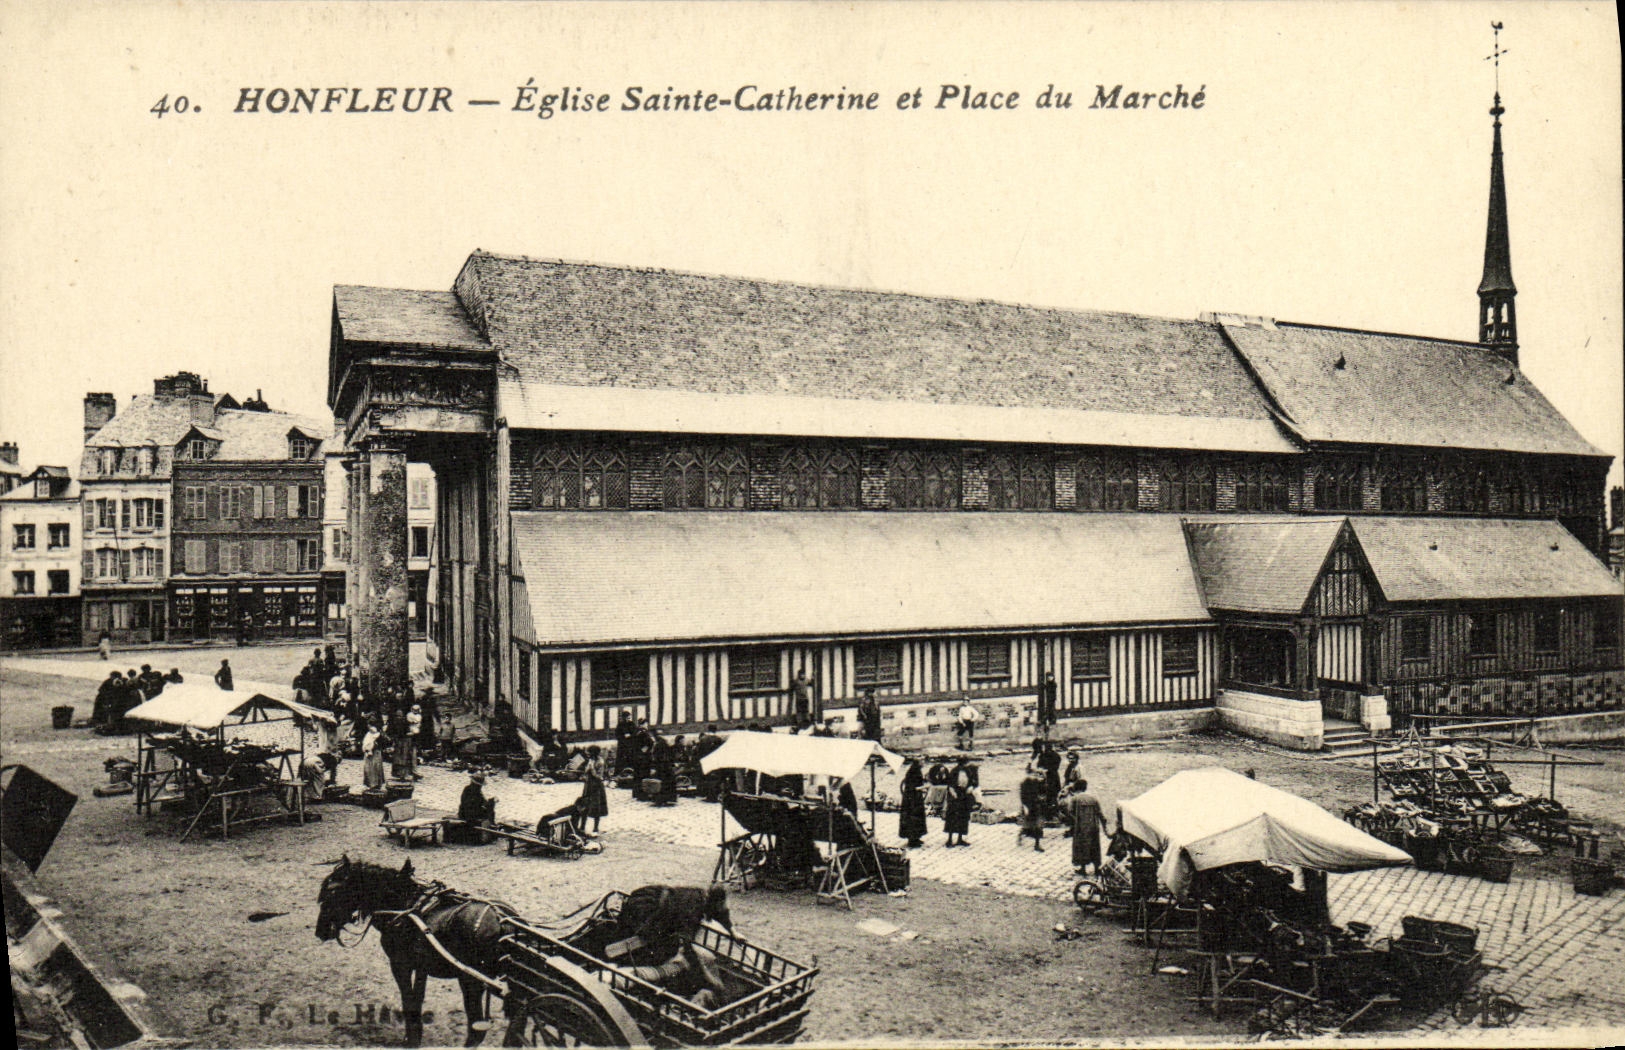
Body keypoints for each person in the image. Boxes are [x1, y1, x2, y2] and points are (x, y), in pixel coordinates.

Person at [1064, 779, 1104, 874]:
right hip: (1093, 826)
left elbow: (1069, 811)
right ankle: (1096, 868)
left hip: (1081, 827)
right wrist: (1104, 825)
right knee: (1094, 846)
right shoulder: (1093, 798)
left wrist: (1075, 821)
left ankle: (1083, 868)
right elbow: (1100, 813)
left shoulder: (1075, 799)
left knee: (1082, 847)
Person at [576, 745, 609, 834]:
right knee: (584, 805)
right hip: (588, 785)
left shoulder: (600, 762)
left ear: (594, 753)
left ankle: (595, 828)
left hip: (597, 787)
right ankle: (582, 826)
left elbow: (599, 776)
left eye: (589, 753)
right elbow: (586, 771)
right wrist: (586, 770)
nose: (588, 755)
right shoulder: (591, 760)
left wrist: (592, 768)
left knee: (596, 807)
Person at [943, 757, 974, 848]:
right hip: (955, 796)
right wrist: (953, 793)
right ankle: (949, 839)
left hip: (964, 795)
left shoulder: (968, 771)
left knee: (963, 817)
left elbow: (972, 782)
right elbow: (950, 785)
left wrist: (970, 787)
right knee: (952, 817)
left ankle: (960, 838)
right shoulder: (954, 771)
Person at [898, 758, 927, 848]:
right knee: (912, 818)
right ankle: (912, 840)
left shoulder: (916, 771)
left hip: (915, 798)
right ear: (918, 763)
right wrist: (924, 787)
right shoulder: (913, 772)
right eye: (922, 761)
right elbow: (913, 787)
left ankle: (916, 837)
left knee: (918, 817)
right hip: (911, 800)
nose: (924, 762)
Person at [1017, 769, 1046, 852]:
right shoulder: (1025, 783)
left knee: (1037, 826)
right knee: (1028, 826)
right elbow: (1023, 797)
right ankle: (1020, 835)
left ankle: (1037, 844)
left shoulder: (1038, 782)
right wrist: (1025, 807)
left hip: (1036, 806)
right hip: (1028, 806)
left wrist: (1041, 799)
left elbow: (1042, 793)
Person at [1036, 742, 1062, 821]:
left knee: (1053, 795)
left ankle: (1054, 813)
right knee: (1044, 795)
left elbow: (1055, 767)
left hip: (1053, 777)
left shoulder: (1056, 756)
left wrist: (1047, 770)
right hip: (1044, 777)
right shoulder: (1042, 755)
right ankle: (1046, 813)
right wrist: (1041, 770)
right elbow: (1039, 765)